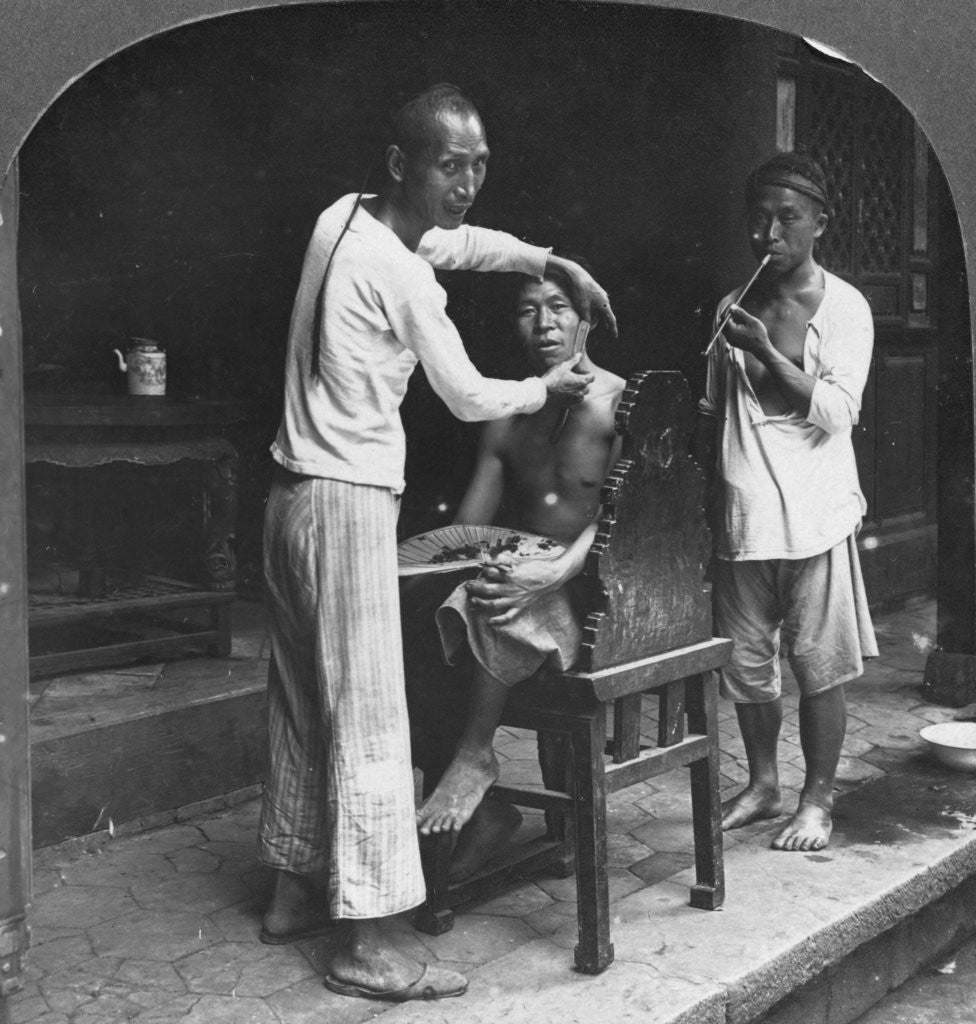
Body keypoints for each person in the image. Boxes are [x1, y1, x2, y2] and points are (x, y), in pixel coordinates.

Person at [257, 83, 617, 1003]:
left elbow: (457, 241)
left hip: (289, 496)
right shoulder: (402, 274)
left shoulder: (344, 218)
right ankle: (366, 941)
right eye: (449, 165)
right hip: (343, 499)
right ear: (400, 164)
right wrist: (551, 388)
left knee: (305, 699)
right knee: (371, 717)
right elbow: (465, 394)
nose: (466, 184)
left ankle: (295, 889)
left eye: (479, 165)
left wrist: (543, 257)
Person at [409, 261, 625, 880]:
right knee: (420, 614)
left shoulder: (621, 403)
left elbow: (624, 521)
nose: (544, 322)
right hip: (520, 574)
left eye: (558, 306)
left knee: (506, 601)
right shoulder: (508, 411)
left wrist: (553, 573)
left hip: (593, 584)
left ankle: (477, 756)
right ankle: (487, 815)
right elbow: (473, 531)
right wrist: (454, 570)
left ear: (586, 317)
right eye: (529, 310)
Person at [695, 151, 878, 854]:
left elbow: (836, 411)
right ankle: (765, 784)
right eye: (759, 219)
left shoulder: (845, 307)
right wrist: (711, 501)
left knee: (816, 665)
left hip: (817, 516)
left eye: (787, 218)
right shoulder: (730, 308)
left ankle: (817, 799)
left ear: (819, 223)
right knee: (747, 668)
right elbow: (715, 413)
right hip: (745, 520)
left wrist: (768, 355)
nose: (768, 233)